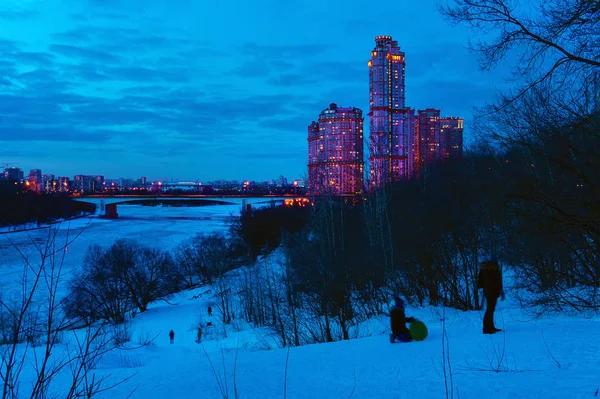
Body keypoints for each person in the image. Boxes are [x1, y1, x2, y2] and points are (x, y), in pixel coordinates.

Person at [477, 254, 505, 334]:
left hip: (488, 291)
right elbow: (496, 281)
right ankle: (487, 328)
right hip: (492, 291)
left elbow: (480, 282)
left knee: (490, 309)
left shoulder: (484, 269)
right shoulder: (493, 270)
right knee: (490, 309)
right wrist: (499, 290)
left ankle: (490, 327)